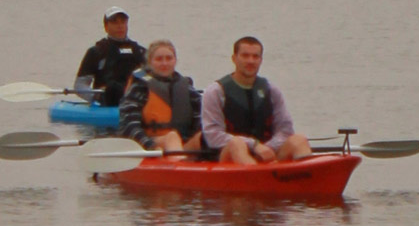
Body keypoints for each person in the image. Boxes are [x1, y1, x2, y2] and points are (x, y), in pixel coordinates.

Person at [201, 36, 311, 164]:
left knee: (299, 140)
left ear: (261, 60)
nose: (251, 61)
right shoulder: (215, 91)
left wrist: (268, 147)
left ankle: (305, 178)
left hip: (267, 153)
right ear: (234, 59)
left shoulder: (271, 90)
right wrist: (254, 145)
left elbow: (285, 130)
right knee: (237, 144)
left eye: (255, 56)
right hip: (228, 157)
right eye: (245, 56)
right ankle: (257, 177)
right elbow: (212, 136)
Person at [118, 40, 203, 157]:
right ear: (150, 62)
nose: (164, 63)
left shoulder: (187, 89)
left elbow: (202, 118)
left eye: (169, 58)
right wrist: (150, 146)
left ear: (175, 61)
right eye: (159, 59)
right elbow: (129, 126)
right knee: (171, 137)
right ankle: (180, 168)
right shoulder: (139, 88)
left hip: (183, 146)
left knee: (203, 137)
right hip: (150, 146)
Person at [75, 6, 147, 107]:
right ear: (106, 27)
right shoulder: (96, 52)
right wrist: (96, 97)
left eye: (123, 22)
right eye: (115, 22)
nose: (120, 26)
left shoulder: (140, 51)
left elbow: (153, 78)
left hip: (136, 101)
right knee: (113, 89)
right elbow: (80, 85)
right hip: (107, 102)